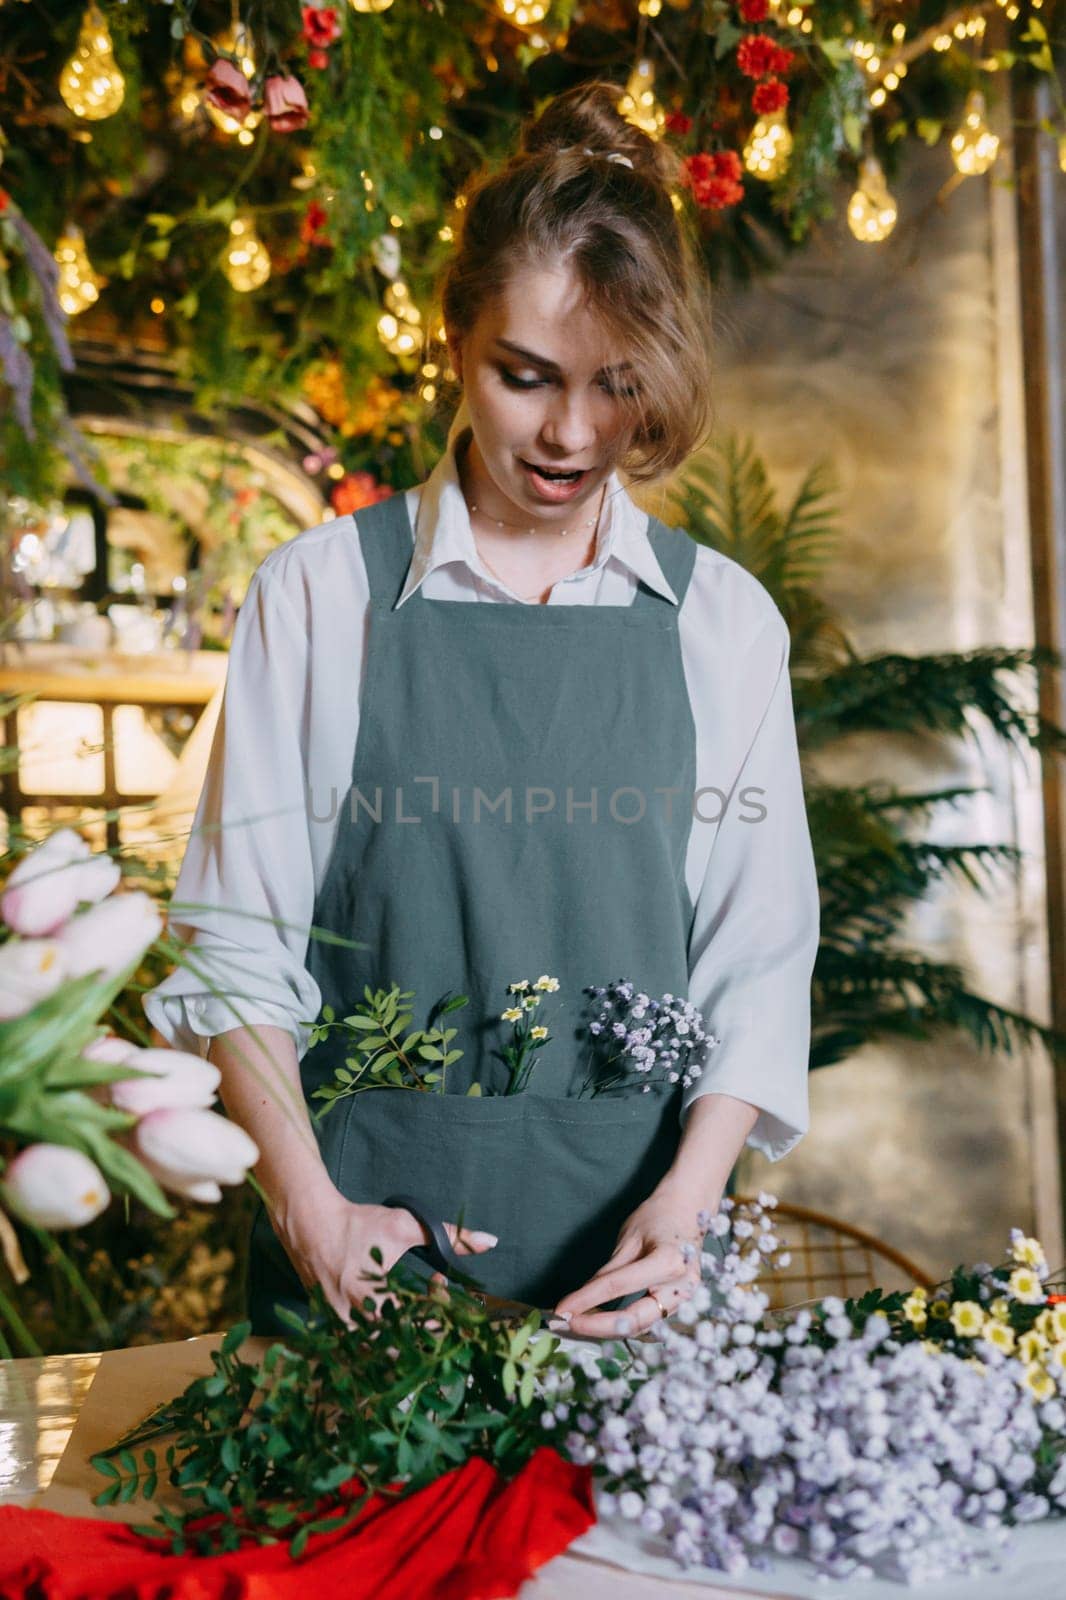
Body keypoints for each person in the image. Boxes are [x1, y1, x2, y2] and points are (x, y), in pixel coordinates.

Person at [143, 81, 819, 1343]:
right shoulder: (318, 597)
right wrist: (309, 1211)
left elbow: (758, 958)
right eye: (526, 376)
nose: (571, 433)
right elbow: (234, 944)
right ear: (457, 339)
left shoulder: (722, 625)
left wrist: (685, 1205)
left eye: (616, 385)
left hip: (632, 1278)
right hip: (360, 1266)